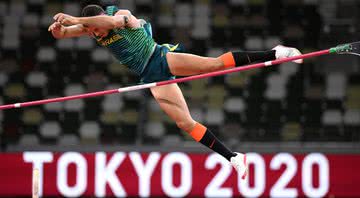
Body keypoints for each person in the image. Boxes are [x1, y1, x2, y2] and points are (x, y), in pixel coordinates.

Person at [48, 4, 303, 179]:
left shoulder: (121, 17)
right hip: (149, 77)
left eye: (94, 29)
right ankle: (233, 156)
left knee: (211, 65)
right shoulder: (92, 28)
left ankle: (276, 53)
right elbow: (67, 33)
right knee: (185, 123)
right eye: (91, 31)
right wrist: (60, 31)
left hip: (159, 58)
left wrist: (78, 21)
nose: (94, 34)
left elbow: (107, 22)